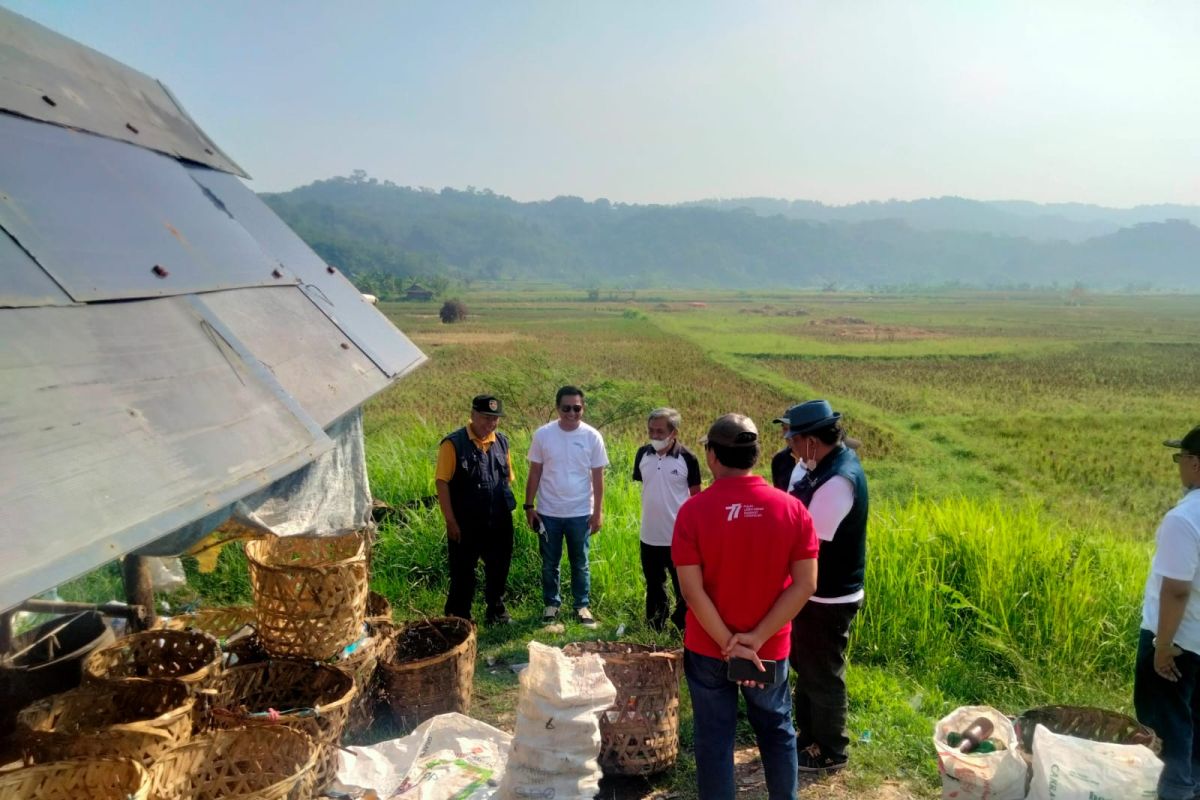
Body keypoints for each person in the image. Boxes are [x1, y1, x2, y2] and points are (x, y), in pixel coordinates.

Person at [673, 413, 819, 800]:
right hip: (767, 650)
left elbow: (692, 591)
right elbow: (806, 584)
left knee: (714, 736)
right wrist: (753, 640)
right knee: (775, 730)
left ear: (712, 456)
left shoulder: (693, 511)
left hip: (708, 648)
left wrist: (728, 643)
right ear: (754, 456)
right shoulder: (791, 510)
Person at [784, 399, 869, 774]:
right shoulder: (813, 467)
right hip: (811, 590)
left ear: (812, 441)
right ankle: (810, 737)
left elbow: (806, 541)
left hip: (829, 595)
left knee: (823, 673)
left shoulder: (839, 480)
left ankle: (832, 749)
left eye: (792, 437)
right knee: (806, 665)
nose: (787, 444)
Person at [1134, 424, 1200, 800]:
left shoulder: (1185, 519)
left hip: (1179, 644)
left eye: (1180, 458)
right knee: (1197, 730)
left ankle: (1172, 794)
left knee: (1168, 731)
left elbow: (1176, 590)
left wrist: (1162, 646)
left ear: (1194, 464)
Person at [524, 385, 609, 627]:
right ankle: (551, 604)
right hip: (548, 512)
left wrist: (597, 512)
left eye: (576, 408)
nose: (571, 413)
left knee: (580, 562)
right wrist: (529, 507)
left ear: (583, 408)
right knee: (550, 563)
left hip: (580, 512)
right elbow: (535, 472)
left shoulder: (592, 437)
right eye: (566, 408)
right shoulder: (543, 434)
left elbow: (598, 477)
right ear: (557, 408)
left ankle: (582, 605)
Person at [434, 394, 517, 625]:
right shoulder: (453, 443)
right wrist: (450, 521)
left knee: (499, 568)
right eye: (485, 417)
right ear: (472, 415)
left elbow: (507, 478)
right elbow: (442, 482)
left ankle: (497, 612)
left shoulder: (502, 442)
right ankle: (459, 617)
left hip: (498, 519)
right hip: (465, 522)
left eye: (494, 419)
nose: (490, 423)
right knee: (463, 571)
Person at [632, 407, 702, 631]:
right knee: (654, 585)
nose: (655, 436)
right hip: (649, 535)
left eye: (660, 431)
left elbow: (696, 498)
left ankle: (684, 625)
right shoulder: (642, 454)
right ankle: (655, 626)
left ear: (674, 433)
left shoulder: (688, 458)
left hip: (678, 536)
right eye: (651, 430)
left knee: (684, 586)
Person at [770, 406, 800, 491]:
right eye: (785, 428)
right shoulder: (779, 460)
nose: (787, 434)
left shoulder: (816, 459)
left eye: (791, 429)